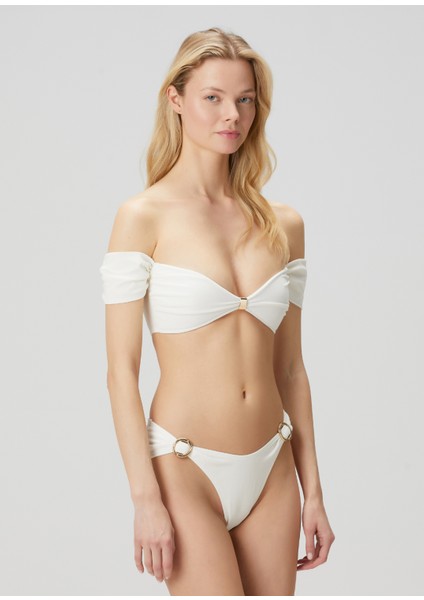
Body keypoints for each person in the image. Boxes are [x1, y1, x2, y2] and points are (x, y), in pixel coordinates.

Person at [99, 27, 335, 596]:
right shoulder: (142, 217)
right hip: (185, 467)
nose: (233, 114)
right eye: (213, 97)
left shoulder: (284, 225)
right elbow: (121, 373)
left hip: (272, 466)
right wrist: (145, 499)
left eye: (245, 99)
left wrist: (315, 492)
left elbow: (291, 369)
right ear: (176, 99)